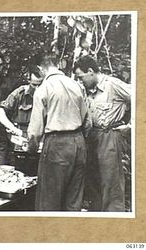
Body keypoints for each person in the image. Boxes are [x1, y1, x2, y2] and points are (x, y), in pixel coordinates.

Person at [27, 51, 91, 211]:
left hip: (57, 145)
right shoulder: (76, 85)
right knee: (73, 200)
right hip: (79, 142)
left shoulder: (43, 89)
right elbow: (88, 122)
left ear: (40, 68)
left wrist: (32, 150)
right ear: (57, 65)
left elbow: (35, 132)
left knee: (48, 201)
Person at [73, 55, 131, 212]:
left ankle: (115, 226)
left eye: (81, 77)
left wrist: (131, 125)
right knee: (93, 182)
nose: (80, 81)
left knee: (111, 184)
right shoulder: (87, 90)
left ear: (91, 71)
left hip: (110, 137)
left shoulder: (113, 85)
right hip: (92, 137)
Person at [0, 64, 43, 175]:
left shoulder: (48, 95)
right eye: (34, 85)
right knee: (17, 174)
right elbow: (0, 112)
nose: (37, 89)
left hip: (39, 143)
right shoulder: (20, 93)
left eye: (40, 85)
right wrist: (13, 129)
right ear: (28, 80)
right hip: (19, 144)